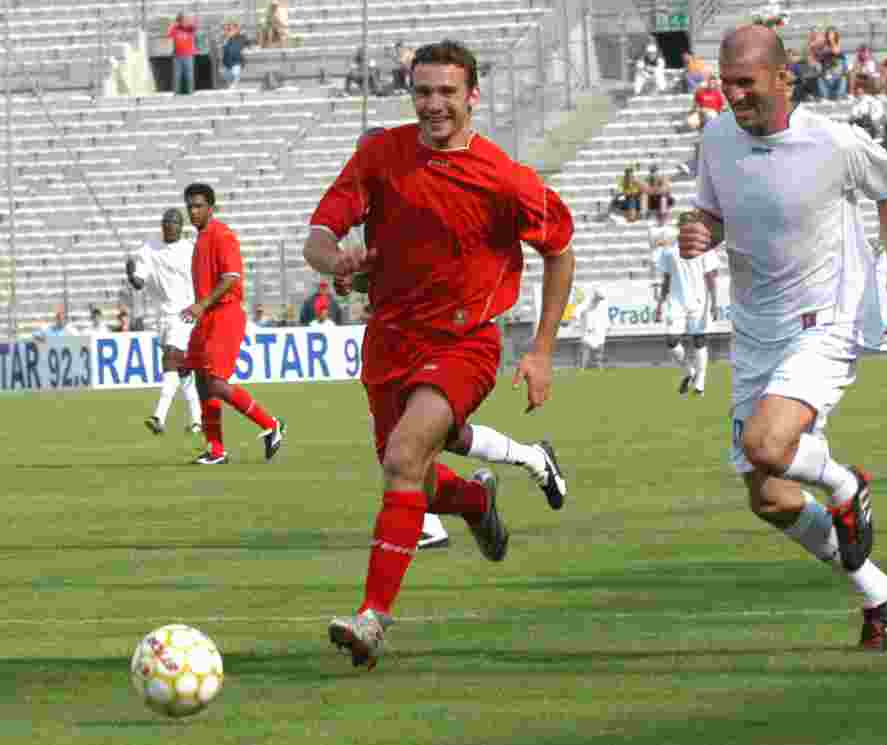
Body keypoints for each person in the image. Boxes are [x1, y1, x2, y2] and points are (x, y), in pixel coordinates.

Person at [302, 39, 575, 671]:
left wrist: (542, 350)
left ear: (472, 96)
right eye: (423, 92)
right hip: (389, 341)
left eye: (447, 92)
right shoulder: (380, 156)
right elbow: (318, 236)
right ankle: (477, 502)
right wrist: (336, 260)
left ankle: (371, 619)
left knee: (403, 456)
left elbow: (560, 251)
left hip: (464, 342)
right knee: (412, 476)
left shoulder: (503, 177)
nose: (434, 104)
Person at [679, 25, 887, 652]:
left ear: (783, 78)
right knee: (770, 497)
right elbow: (713, 214)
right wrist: (699, 231)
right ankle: (880, 592)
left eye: (745, 83)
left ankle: (845, 484)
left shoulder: (834, 142)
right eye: (726, 83)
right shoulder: (716, 139)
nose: (733, 95)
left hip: (825, 320)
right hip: (756, 328)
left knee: (766, 443)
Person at [180, 183, 287, 465]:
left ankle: (271, 424)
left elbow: (231, 278)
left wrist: (202, 304)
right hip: (206, 317)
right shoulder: (200, 240)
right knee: (201, 380)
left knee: (216, 382)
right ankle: (216, 450)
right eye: (190, 206)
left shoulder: (222, 235)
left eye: (198, 206)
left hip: (224, 314)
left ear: (211, 208)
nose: (193, 211)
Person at [126, 208, 203, 436]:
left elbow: (202, 279)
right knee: (182, 369)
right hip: (162, 316)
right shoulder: (150, 247)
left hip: (184, 314)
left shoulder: (190, 250)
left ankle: (159, 416)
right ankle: (197, 420)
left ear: (181, 227)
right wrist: (131, 275)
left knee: (170, 357)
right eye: (166, 223)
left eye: (174, 223)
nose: (169, 226)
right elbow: (139, 282)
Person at [659, 212, 719, 397]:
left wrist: (714, 302)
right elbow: (666, 279)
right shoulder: (669, 251)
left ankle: (700, 385)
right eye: (684, 225)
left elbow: (711, 277)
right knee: (671, 340)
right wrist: (660, 303)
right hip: (676, 301)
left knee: (699, 340)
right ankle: (689, 371)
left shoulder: (706, 249)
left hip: (699, 300)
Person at [577, 287, 609, 370]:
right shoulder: (586, 304)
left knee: (600, 350)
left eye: (600, 298)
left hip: (599, 330)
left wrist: (606, 327)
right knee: (586, 350)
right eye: (598, 298)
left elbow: (605, 316)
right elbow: (579, 312)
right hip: (588, 331)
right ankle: (582, 368)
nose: (599, 300)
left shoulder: (602, 305)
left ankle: (600, 367)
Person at [167, 12, 197, 95]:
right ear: (179, 21)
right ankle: (176, 92)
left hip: (188, 55)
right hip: (177, 55)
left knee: (189, 74)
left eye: (185, 20)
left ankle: (190, 91)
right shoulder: (175, 28)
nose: (184, 22)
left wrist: (188, 21)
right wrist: (175, 24)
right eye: (182, 20)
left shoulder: (190, 28)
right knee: (177, 74)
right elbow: (169, 35)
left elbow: (194, 26)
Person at [221, 19, 251, 89]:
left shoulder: (242, 37)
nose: (232, 31)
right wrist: (226, 39)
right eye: (230, 30)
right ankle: (230, 85)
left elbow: (248, 44)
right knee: (227, 75)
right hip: (227, 62)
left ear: (238, 30)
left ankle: (234, 84)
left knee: (236, 73)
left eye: (234, 29)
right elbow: (222, 48)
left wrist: (248, 49)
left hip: (237, 60)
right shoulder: (226, 38)